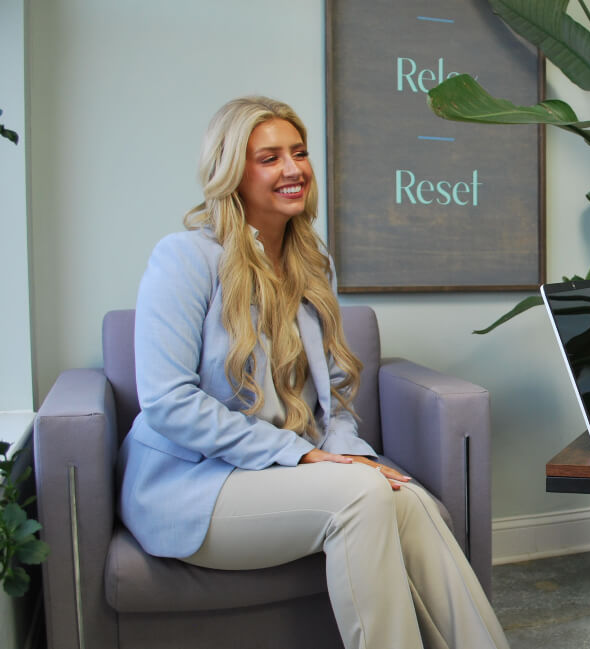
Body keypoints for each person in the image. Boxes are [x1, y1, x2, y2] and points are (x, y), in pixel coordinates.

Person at [116, 96, 510, 649]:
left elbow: (335, 399)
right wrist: (300, 454)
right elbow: (168, 402)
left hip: (279, 473)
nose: (293, 169)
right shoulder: (183, 259)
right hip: (193, 487)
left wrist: (353, 456)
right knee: (359, 496)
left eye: (298, 154)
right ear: (232, 169)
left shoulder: (308, 264)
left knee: (410, 499)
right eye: (270, 157)